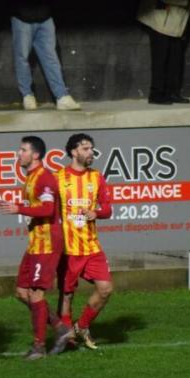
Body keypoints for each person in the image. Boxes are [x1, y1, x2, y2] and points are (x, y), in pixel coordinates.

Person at [0, 136, 73, 360]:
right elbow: (36, 205)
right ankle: (60, 328)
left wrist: (18, 208)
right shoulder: (31, 177)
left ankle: (39, 347)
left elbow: (48, 209)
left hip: (47, 243)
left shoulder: (45, 177)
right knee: (21, 292)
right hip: (35, 242)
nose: (19, 154)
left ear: (35, 155)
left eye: (23, 150)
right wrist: (11, 205)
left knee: (36, 295)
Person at [53, 133, 113, 352]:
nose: (91, 153)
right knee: (67, 294)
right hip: (68, 248)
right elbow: (47, 209)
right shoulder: (58, 178)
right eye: (86, 149)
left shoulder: (96, 177)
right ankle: (67, 337)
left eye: (91, 149)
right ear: (74, 152)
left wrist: (95, 212)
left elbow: (107, 209)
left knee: (105, 289)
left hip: (91, 246)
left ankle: (82, 326)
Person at [10, 0, 80, 111]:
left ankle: (61, 96)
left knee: (51, 58)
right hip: (22, 18)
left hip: (45, 18)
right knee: (22, 58)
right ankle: (27, 95)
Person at [137, 0, 190, 105]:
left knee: (175, 59)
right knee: (160, 58)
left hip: (177, 21)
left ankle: (171, 93)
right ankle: (156, 94)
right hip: (161, 19)